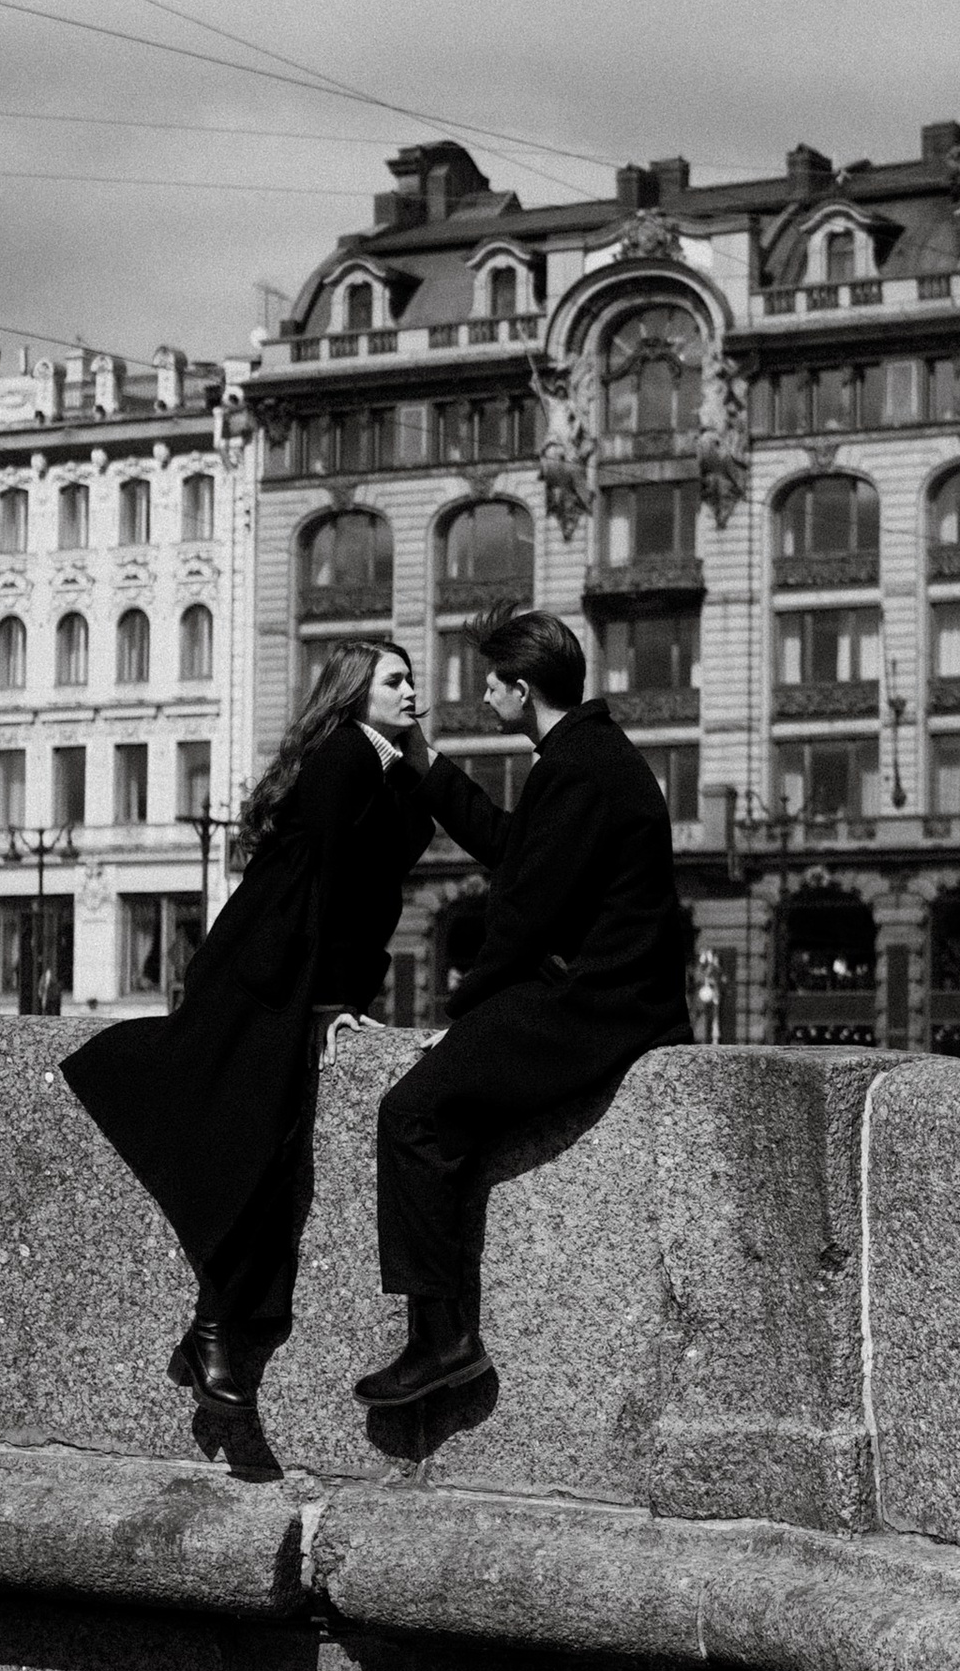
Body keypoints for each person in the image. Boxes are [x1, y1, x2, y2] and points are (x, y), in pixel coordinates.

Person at [63, 638, 431, 1479]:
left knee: (271, 1152)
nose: (414, 692)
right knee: (254, 1144)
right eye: (397, 681)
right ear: (355, 694)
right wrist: (335, 999)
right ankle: (216, 1334)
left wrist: (344, 993)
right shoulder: (345, 757)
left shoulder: (386, 764)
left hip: (296, 970)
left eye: (411, 680)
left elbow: (376, 888)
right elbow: (339, 882)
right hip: (271, 968)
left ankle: (213, 1335)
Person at [362, 607, 692, 1411]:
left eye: (491, 683)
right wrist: (425, 763)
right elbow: (515, 848)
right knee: (445, 1113)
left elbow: (525, 914)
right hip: (613, 998)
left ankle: (443, 1342)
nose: (482, 694)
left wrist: (464, 1011)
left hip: (599, 1006)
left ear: (522, 687)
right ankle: (442, 1338)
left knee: (412, 1113)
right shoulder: (587, 755)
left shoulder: (578, 767)